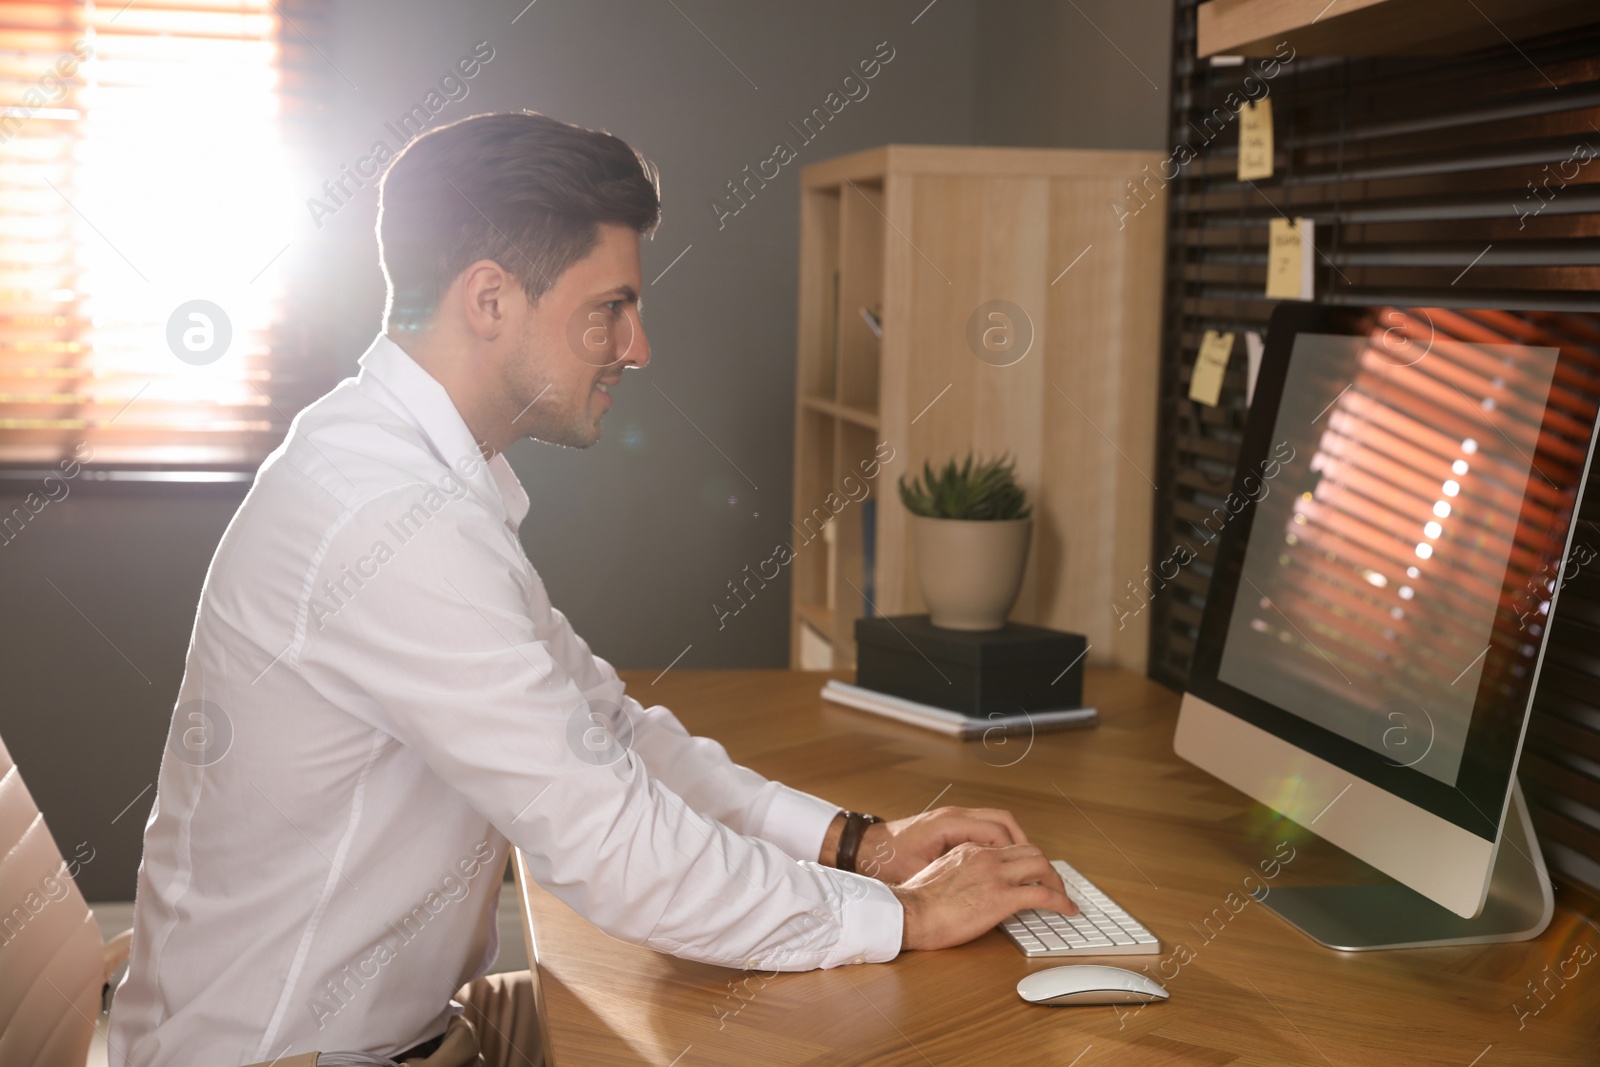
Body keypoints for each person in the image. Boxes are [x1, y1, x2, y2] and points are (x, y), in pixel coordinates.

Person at [109, 111, 1073, 1067]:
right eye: (610, 306)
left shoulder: (418, 479)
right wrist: (903, 913)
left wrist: (862, 848)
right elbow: (617, 852)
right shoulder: (385, 514)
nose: (638, 345)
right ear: (490, 299)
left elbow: (606, 729)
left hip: (401, 1029)